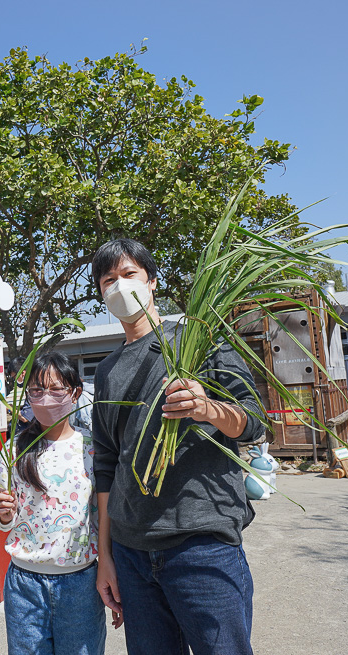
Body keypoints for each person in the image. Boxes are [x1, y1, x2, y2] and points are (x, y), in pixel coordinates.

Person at [90, 238, 265, 655]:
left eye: (129, 275)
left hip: (201, 544)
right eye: (108, 280)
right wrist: (107, 555)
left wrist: (207, 409)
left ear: (152, 282)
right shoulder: (107, 370)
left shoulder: (200, 341)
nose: (119, 286)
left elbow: (254, 422)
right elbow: (106, 465)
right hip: (132, 552)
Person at [0, 350, 107, 655]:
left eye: (56, 389)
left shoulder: (93, 447)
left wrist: (111, 569)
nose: (45, 398)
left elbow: (104, 515)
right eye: (37, 390)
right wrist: (3, 515)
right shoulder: (13, 449)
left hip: (81, 581)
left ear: (76, 392)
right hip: (24, 584)